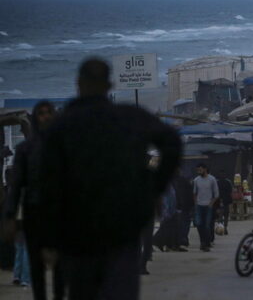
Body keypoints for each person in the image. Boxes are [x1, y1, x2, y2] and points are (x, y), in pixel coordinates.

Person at [38, 58, 182, 300]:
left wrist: (49, 237)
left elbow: (49, 185)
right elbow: (172, 143)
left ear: (79, 84)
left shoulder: (61, 126)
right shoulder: (129, 117)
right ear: (110, 85)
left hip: (78, 231)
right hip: (122, 226)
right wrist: (153, 188)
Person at [3, 101, 66, 297]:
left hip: (58, 214)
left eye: (49, 113)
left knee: (59, 266)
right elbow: (17, 186)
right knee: (36, 265)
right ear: (36, 119)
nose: (46, 116)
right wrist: (10, 216)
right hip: (33, 213)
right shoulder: (25, 149)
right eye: (41, 113)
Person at [193, 163, 219, 252]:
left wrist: (211, 204)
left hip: (208, 206)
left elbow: (216, 194)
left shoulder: (212, 179)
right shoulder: (196, 180)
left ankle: (206, 244)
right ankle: (202, 242)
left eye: (200, 170)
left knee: (207, 226)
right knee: (199, 224)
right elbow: (194, 193)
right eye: (197, 170)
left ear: (205, 169)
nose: (198, 172)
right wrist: (196, 203)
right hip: (199, 206)